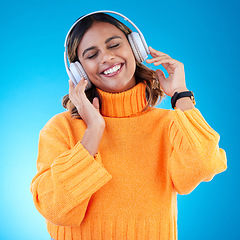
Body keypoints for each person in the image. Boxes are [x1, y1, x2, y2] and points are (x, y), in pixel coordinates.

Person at [30, 11, 227, 240]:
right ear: (79, 72)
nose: (106, 57)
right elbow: (56, 209)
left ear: (135, 47)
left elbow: (203, 165)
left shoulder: (168, 124)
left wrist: (181, 95)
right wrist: (93, 131)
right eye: (92, 55)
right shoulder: (61, 128)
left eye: (114, 45)